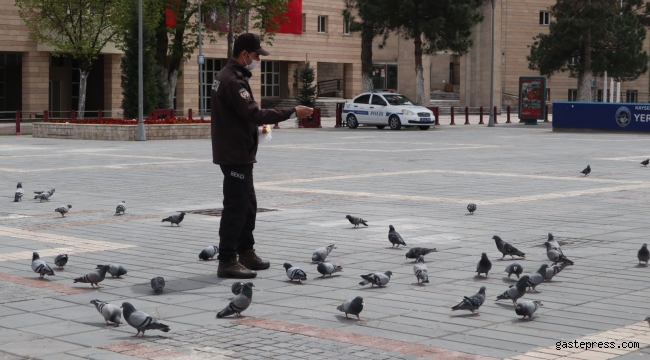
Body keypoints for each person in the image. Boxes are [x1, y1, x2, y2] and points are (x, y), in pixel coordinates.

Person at [211, 33, 313, 278]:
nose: (258, 60)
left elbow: (240, 117)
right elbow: (253, 113)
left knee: (248, 205)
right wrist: (292, 112)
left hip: (239, 151)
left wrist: (253, 128)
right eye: (256, 55)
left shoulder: (230, 77)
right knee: (236, 206)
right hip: (235, 153)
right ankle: (227, 260)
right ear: (244, 54)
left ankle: (246, 252)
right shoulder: (233, 80)